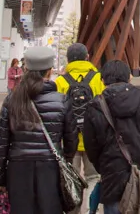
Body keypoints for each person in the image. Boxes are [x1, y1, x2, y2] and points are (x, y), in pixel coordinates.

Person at [0, 47, 77, 214]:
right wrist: (64, 161)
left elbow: (1, 143)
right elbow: (71, 139)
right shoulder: (61, 100)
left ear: (26, 70)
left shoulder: (12, 100)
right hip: (50, 166)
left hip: (18, 168)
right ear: (49, 71)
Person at [83, 60, 140, 214]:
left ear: (102, 79)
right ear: (129, 77)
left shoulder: (95, 106)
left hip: (112, 173)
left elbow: (91, 146)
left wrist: (102, 167)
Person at [56, 43, 105, 213]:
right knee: (93, 177)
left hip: (69, 141)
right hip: (94, 139)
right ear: (87, 57)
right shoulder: (98, 79)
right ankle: (91, 210)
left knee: (72, 179)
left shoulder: (61, 81)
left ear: (68, 60)